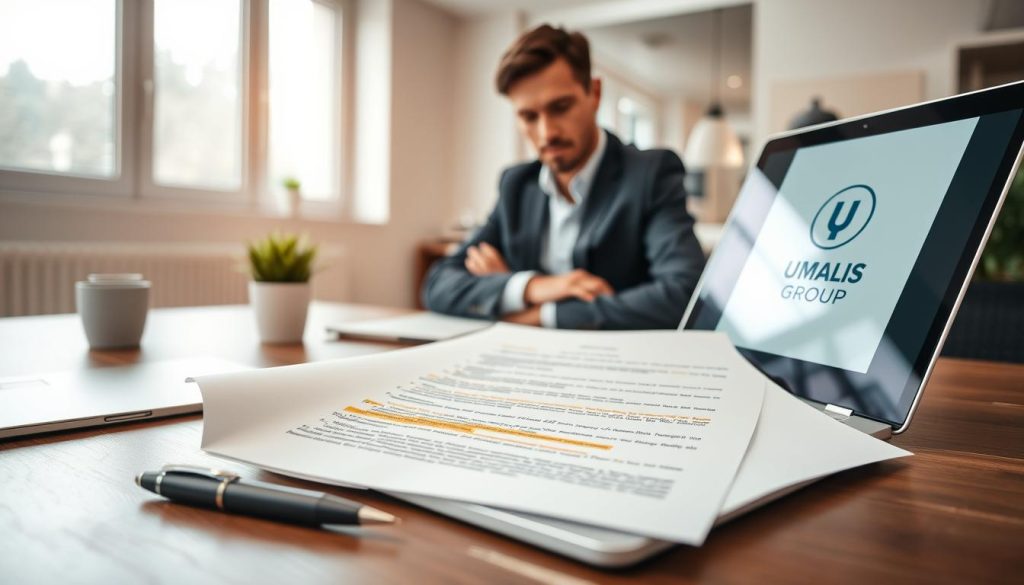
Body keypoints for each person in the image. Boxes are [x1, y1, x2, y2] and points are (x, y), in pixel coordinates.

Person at [422, 24, 705, 330]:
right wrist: (533, 287)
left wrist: (539, 315)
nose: (547, 133)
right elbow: (437, 284)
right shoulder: (516, 185)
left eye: (561, 107)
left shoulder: (651, 174)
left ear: (594, 94)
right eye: (529, 116)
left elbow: (685, 295)